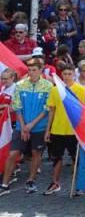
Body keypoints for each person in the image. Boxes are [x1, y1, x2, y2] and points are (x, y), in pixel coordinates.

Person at [0, 59, 53, 196]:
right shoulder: (20, 85)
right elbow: (17, 106)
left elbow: (47, 109)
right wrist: (24, 126)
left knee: (36, 153)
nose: (31, 73)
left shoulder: (48, 86)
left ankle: (31, 180)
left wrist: (31, 125)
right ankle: (5, 184)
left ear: (41, 70)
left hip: (38, 127)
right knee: (13, 154)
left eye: (34, 70)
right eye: (29, 70)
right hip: (21, 126)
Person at [44, 63, 85, 195]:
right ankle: (55, 183)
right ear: (61, 75)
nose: (67, 76)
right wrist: (48, 130)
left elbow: (84, 111)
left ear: (74, 74)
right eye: (65, 74)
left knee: (76, 158)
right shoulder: (55, 90)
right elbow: (51, 110)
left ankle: (78, 185)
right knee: (57, 158)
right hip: (57, 130)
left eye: (69, 74)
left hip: (74, 130)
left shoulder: (80, 90)